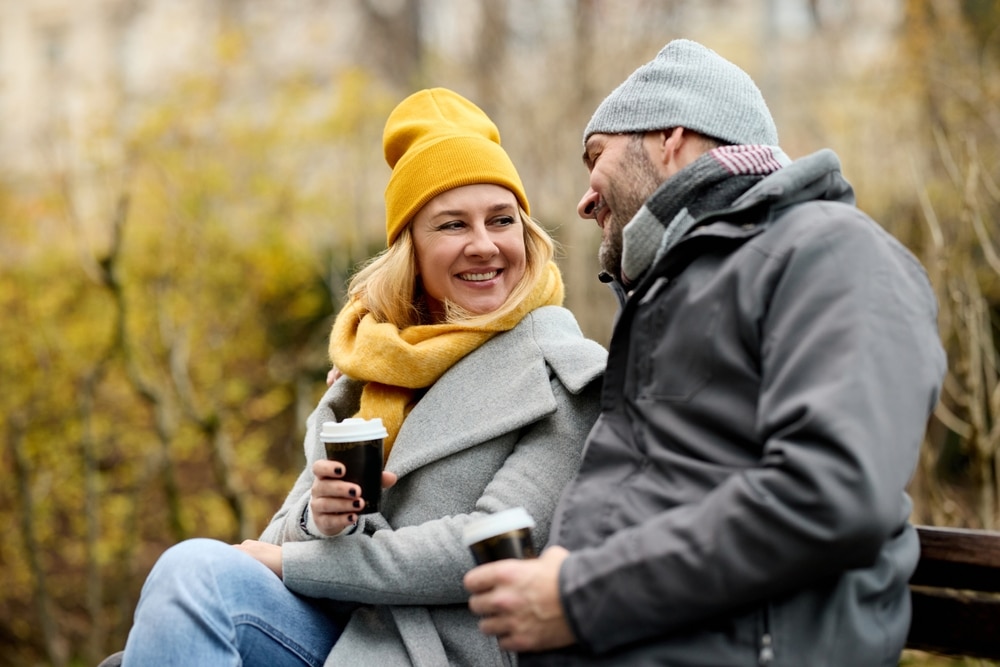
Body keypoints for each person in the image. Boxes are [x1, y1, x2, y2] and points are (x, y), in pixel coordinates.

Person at [464, 39, 946, 666]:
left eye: (597, 155)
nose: (585, 200)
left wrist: (580, 597)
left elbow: (830, 491)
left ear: (671, 139)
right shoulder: (682, 287)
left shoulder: (833, 252)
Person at [101, 87, 606, 667]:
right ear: (410, 249)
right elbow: (275, 537)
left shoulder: (563, 372)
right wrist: (319, 518)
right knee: (187, 574)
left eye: (501, 220)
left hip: (428, 650)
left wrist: (301, 563)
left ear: (526, 234)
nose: (484, 244)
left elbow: (488, 544)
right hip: (329, 629)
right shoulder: (373, 370)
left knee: (190, 583)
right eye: (451, 225)